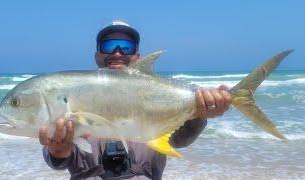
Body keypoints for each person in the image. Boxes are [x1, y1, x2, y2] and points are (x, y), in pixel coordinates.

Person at [39, 20, 232, 180]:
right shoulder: (74, 93)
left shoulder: (157, 94)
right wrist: (57, 151)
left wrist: (200, 113)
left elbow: (179, 140)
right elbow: (58, 161)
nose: (117, 53)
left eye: (126, 47)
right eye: (108, 46)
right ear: (97, 55)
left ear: (137, 56)